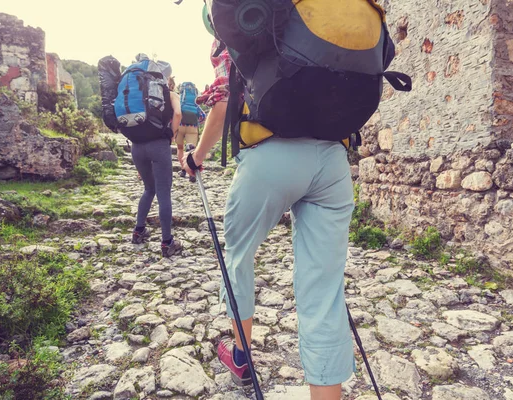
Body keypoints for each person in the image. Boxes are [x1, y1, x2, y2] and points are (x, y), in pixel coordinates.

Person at [183, 38, 355, 400]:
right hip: (333, 160)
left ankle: (242, 356)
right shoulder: (322, 17)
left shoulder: (247, 20)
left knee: (240, 256)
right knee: (324, 289)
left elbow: (223, 102)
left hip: (269, 152)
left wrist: (196, 158)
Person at [119, 54, 182, 258]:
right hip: (159, 146)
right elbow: (179, 114)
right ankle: (167, 242)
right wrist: (171, 134)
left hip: (137, 146)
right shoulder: (169, 93)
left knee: (148, 189)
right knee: (164, 193)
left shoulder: (139, 92)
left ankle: (138, 231)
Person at [175, 81, 206, 183]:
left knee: (180, 149)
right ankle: (191, 174)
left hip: (180, 126)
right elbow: (203, 116)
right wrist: (197, 122)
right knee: (190, 150)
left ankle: (183, 170)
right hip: (192, 127)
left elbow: (175, 114)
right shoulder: (195, 105)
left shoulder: (179, 102)